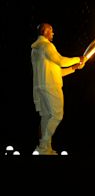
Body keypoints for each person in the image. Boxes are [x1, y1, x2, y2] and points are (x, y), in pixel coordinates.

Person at [31, 23, 86, 155]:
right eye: (51, 31)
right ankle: (44, 144)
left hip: (40, 87)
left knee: (46, 116)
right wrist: (78, 58)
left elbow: (56, 71)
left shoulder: (35, 49)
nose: (53, 33)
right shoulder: (46, 46)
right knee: (57, 115)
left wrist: (73, 68)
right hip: (51, 86)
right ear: (45, 31)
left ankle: (45, 149)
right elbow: (60, 61)